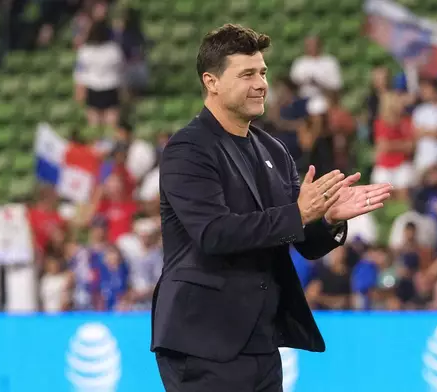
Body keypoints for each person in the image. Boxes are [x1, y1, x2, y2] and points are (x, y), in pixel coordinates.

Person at [151, 24, 392, 392]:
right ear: (211, 82)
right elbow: (214, 234)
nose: (261, 83)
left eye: (262, 72)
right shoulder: (188, 150)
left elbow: (302, 241)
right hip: (203, 340)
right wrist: (299, 214)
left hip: (262, 342)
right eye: (247, 74)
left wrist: (325, 218)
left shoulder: (273, 150)